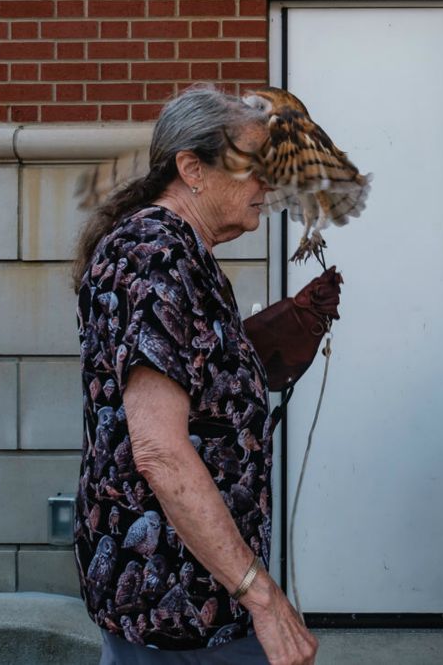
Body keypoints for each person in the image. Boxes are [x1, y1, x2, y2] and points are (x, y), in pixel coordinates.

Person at [72, 85, 322, 664]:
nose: (269, 183)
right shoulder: (154, 254)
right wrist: (261, 596)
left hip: (197, 590)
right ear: (193, 169)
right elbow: (158, 449)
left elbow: (184, 377)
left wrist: (261, 347)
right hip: (174, 597)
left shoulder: (180, 252)